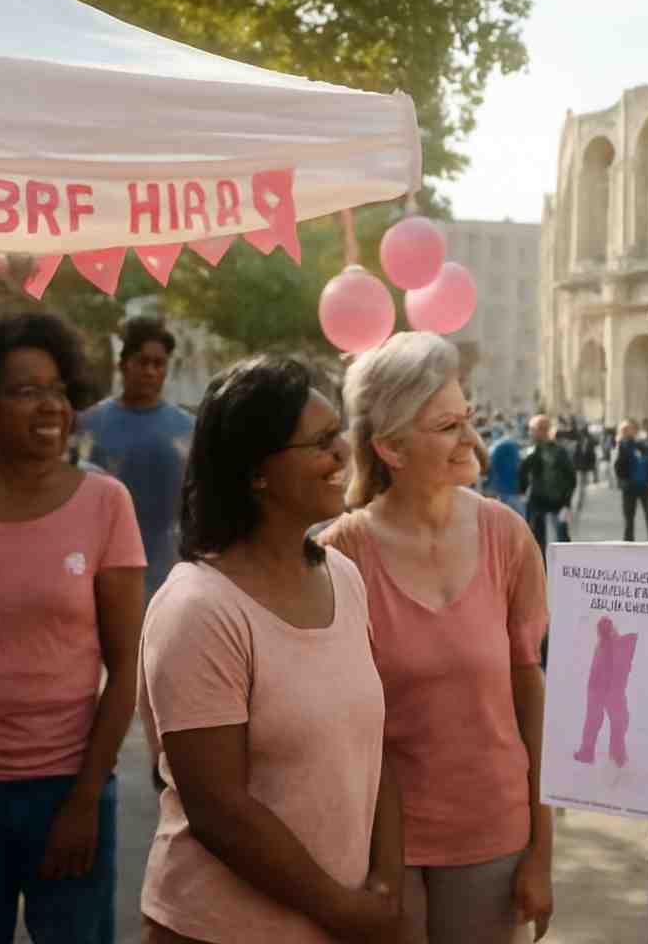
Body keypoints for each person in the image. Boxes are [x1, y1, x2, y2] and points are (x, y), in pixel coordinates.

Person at [138, 356, 400, 944]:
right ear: (256, 471)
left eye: (339, 433)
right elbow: (219, 811)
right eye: (319, 442)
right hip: (216, 930)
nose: (342, 453)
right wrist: (346, 911)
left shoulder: (344, 577)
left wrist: (385, 888)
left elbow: (374, 753)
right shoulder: (198, 609)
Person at [0, 313, 146, 944]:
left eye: (57, 390)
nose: (50, 405)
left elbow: (127, 667)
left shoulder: (106, 504)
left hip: (68, 786)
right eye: (24, 391)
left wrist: (84, 800)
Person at [318, 332, 553, 944]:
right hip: (373, 845)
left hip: (493, 837)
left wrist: (542, 849)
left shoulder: (508, 536)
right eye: (447, 426)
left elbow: (532, 697)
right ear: (391, 447)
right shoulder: (338, 553)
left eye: (468, 419)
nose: (471, 440)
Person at [79, 317, 196, 601]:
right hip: (100, 566)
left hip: (169, 568)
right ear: (123, 364)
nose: (151, 371)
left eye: (159, 364)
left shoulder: (187, 429)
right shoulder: (89, 425)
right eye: (142, 362)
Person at [517, 414, 575, 558]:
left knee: (561, 539)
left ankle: (562, 570)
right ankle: (544, 572)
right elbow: (522, 475)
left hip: (555, 502)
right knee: (539, 541)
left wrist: (567, 502)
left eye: (535, 429)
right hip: (540, 503)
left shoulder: (557, 451)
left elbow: (571, 477)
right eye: (533, 429)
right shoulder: (532, 452)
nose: (532, 433)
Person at [613, 421, 648, 542]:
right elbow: (617, 467)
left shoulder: (640, 444)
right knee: (629, 516)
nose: (629, 432)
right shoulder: (620, 446)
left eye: (631, 429)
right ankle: (628, 541)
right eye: (626, 430)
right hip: (629, 486)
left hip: (644, 485)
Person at [483, 426, 525, 517]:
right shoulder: (511, 445)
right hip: (513, 489)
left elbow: (489, 467)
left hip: (501, 490)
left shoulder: (495, 447)